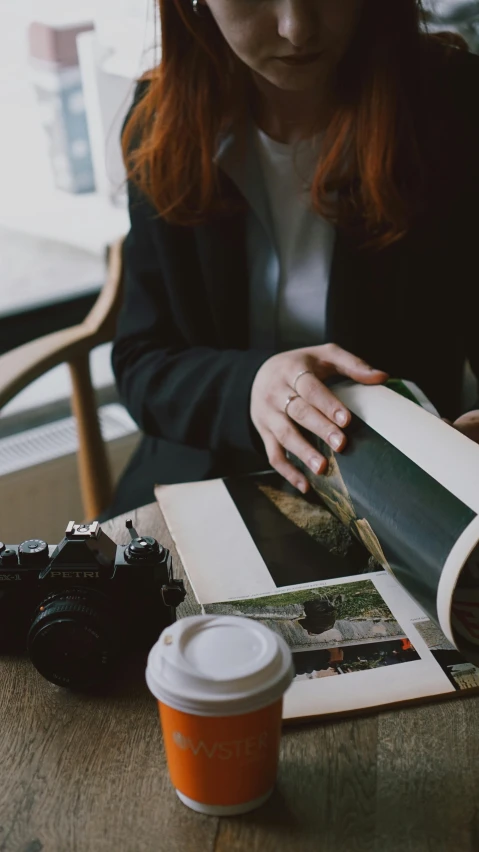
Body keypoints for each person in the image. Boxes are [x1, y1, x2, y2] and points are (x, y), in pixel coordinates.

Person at [104, 0, 479, 519]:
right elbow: (141, 363)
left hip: (395, 492)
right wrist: (250, 386)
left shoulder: (454, 103)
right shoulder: (162, 121)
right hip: (206, 479)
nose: (296, 29)